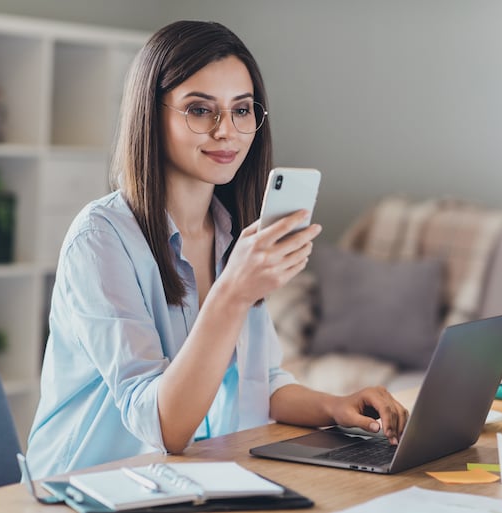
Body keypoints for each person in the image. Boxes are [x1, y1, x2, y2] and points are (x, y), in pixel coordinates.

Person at [25, 20, 408, 479]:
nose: (227, 131)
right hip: (88, 486)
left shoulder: (231, 235)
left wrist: (335, 405)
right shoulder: (101, 240)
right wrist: (233, 293)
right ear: (151, 114)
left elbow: (258, 383)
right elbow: (163, 425)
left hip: (187, 480)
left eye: (241, 110)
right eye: (200, 110)